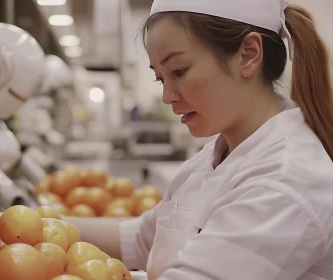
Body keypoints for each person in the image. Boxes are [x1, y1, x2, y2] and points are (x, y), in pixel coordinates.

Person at [67, 0, 333, 279]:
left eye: (179, 72)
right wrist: (41, 224)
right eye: (161, 78)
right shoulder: (213, 158)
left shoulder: (285, 183)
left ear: (249, 55)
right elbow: (141, 240)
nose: (167, 96)